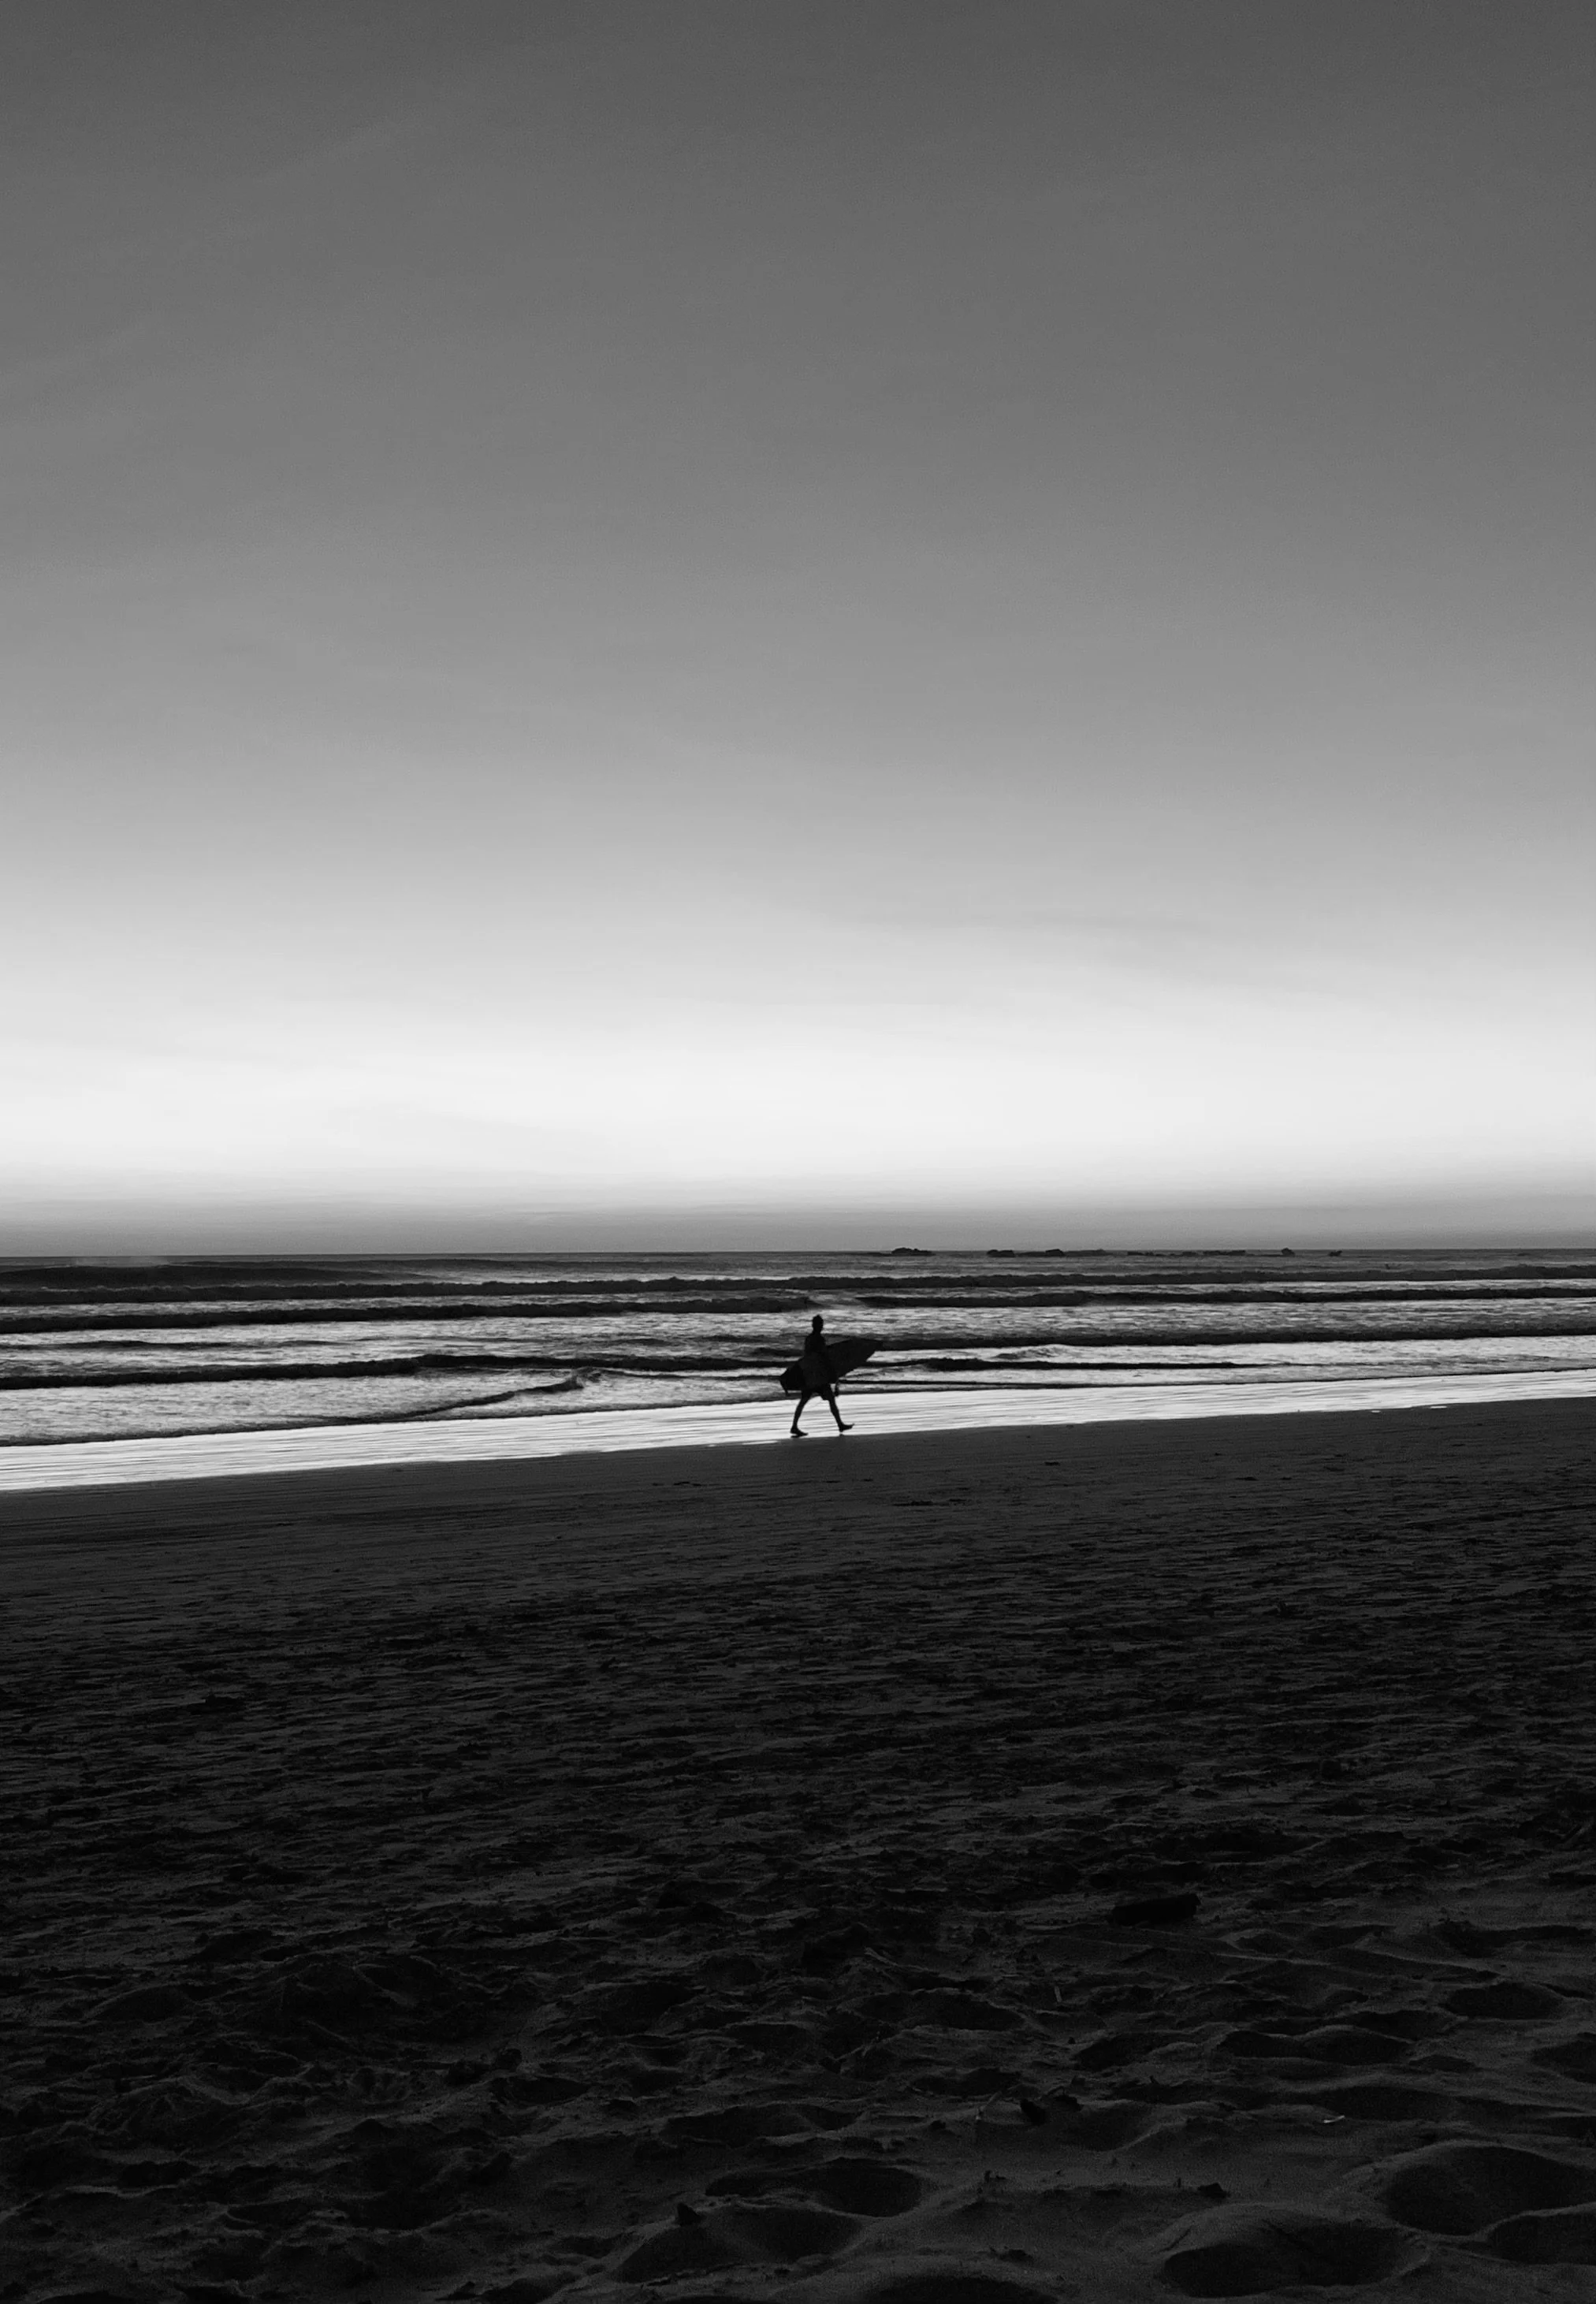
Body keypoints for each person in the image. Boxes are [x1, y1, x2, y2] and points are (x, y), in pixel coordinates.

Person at [791, 1313, 852, 1438]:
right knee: (830, 1399)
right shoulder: (819, 1339)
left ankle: (794, 1426)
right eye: (821, 1324)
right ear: (817, 1326)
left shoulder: (809, 1339)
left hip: (809, 1374)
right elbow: (824, 1357)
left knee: (804, 1401)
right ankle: (840, 1424)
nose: (822, 1326)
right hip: (819, 1376)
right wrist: (832, 1373)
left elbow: (807, 1356)